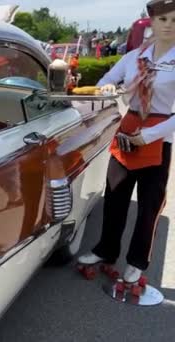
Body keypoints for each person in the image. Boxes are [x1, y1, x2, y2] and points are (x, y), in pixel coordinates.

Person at [77, 0, 175, 284]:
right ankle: (106, 250)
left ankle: (137, 261)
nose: (166, 25)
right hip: (127, 129)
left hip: (158, 135)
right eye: (161, 19)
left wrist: (149, 135)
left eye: (172, 20)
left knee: (148, 206)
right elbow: (108, 79)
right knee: (115, 196)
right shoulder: (134, 57)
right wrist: (107, 86)